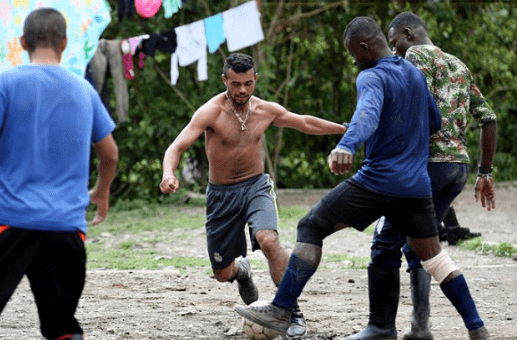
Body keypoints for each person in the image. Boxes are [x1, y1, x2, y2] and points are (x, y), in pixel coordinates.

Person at [234, 16, 492, 340]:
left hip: (379, 180)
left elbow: (366, 113)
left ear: (364, 47)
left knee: (311, 225)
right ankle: (476, 327)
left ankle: (282, 308)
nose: (353, 60)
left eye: (352, 53)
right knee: (433, 256)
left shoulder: (370, 76)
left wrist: (347, 145)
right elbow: (436, 121)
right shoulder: (413, 73)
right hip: (416, 187)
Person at [0, 8, 118, 340]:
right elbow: (110, 152)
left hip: (9, 221)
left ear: (23, 42)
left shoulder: (8, 82)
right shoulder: (84, 91)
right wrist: (101, 191)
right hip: (66, 226)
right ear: (65, 42)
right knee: (62, 328)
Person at [159, 52, 346, 337]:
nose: (242, 90)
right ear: (225, 80)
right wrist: (168, 174)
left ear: (255, 79)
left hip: (256, 186)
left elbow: (304, 122)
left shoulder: (265, 110)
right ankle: (241, 271)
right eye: (235, 84)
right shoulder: (210, 112)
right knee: (222, 273)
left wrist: (346, 130)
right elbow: (176, 147)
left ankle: (290, 310)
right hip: (221, 196)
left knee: (268, 240)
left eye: (248, 83)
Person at [343, 12, 498, 340]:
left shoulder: (408, 61)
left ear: (408, 34)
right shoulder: (459, 65)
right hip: (458, 167)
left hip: (423, 166)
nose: (392, 48)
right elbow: (488, 118)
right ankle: (425, 326)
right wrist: (486, 171)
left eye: (393, 39)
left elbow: (402, 106)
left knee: (386, 243)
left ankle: (383, 327)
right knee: (420, 244)